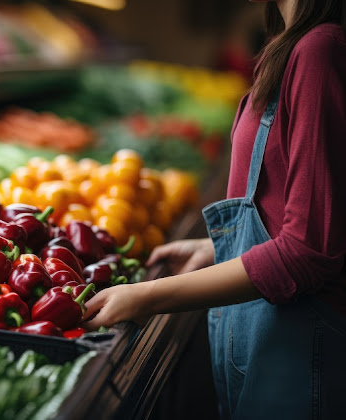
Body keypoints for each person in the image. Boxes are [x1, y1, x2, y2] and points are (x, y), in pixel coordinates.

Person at [83, 0, 346, 418]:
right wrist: (218, 250)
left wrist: (148, 296)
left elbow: (309, 249)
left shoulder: (320, 49)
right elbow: (286, 208)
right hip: (276, 340)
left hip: (301, 351)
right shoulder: (289, 44)